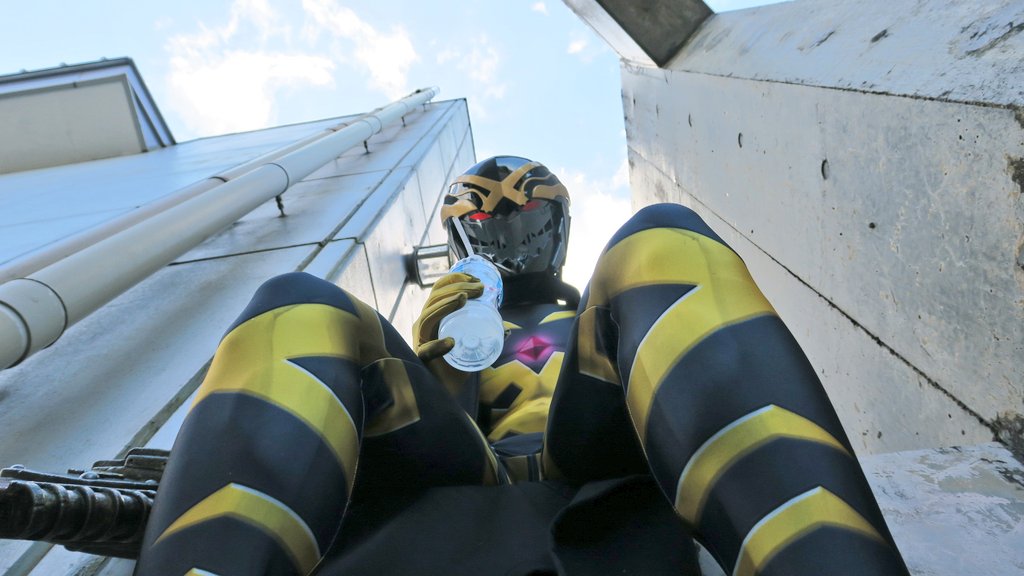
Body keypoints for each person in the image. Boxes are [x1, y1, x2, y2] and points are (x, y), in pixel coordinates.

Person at [133, 156, 911, 575]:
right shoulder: (456, 319)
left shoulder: (607, 309)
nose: (506, 235)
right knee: (296, 303)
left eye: (525, 217)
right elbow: (440, 427)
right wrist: (437, 356)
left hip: (596, 446)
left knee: (661, 237)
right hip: (468, 468)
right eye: (485, 223)